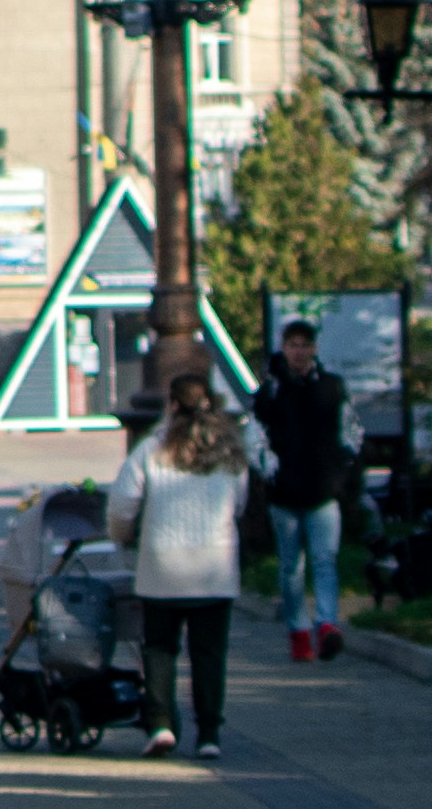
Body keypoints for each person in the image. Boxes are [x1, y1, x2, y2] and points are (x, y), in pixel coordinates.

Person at [109, 354, 255, 756]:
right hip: (214, 568)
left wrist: (122, 538)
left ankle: (160, 724)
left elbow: (122, 503)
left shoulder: (152, 449)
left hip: (161, 566)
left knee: (159, 648)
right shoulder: (229, 452)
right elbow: (239, 504)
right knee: (209, 653)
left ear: (171, 405)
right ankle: (209, 734)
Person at [254, 316, 357, 662]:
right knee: (291, 567)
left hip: (323, 491)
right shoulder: (271, 391)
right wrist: (269, 471)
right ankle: (298, 630)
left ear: (314, 349)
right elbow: (255, 436)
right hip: (284, 494)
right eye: (292, 345)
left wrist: (340, 471)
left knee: (325, 560)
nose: (299, 352)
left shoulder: (331, 387)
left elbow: (351, 430)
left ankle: (327, 624)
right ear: (284, 349)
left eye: (305, 345)